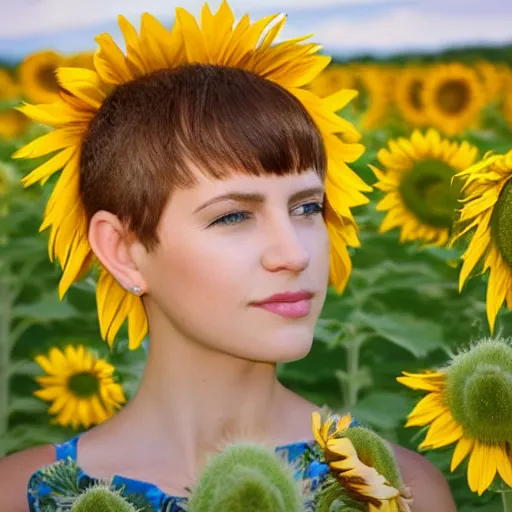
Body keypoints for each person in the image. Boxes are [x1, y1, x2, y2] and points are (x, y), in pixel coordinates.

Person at [0, 2, 455, 511]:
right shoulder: (20, 496)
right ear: (122, 252)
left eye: (307, 207)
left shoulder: (392, 489)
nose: (293, 253)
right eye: (233, 217)